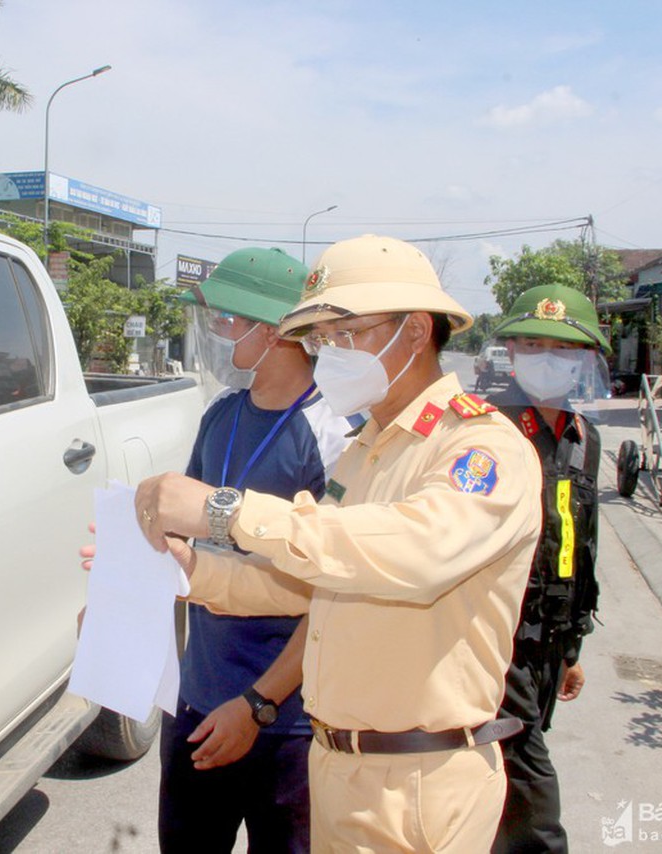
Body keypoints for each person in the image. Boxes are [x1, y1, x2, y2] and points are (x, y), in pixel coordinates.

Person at [118, 234, 544, 852]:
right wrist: (191, 570)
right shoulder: (370, 450)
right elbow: (310, 582)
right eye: (323, 339)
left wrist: (225, 511)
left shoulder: (479, 448)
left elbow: (412, 552)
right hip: (340, 764)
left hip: (415, 782)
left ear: (417, 331)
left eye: (347, 333)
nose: (331, 353)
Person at [164, 247, 350, 853]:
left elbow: (330, 598)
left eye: (226, 321)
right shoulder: (220, 414)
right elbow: (185, 542)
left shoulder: (334, 438)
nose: (216, 335)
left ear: (272, 332)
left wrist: (258, 706)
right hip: (199, 698)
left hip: (284, 723)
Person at [488, 284, 608, 854]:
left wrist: (571, 652)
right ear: (511, 353)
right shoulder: (487, 431)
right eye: (532, 343)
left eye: (562, 348)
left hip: (548, 641)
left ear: (585, 362)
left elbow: (581, 549)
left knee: (505, 778)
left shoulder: (586, 439)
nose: (546, 358)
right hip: (496, 639)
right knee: (533, 792)